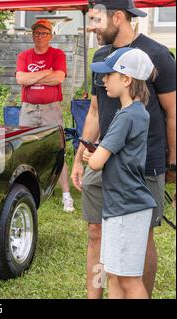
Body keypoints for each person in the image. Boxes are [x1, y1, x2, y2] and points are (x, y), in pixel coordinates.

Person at [71, 0, 176, 299]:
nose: (91, 26)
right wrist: (79, 158)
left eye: (96, 20)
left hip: (144, 166)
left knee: (140, 239)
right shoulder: (101, 57)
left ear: (118, 17)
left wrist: (173, 165)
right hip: (101, 161)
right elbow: (94, 111)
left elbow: (173, 114)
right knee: (96, 234)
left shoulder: (157, 56)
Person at [88, 47, 157, 299]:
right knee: (114, 275)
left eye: (109, 75)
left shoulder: (126, 116)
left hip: (126, 209)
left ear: (126, 79)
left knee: (129, 281)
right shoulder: (138, 112)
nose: (103, 81)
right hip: (121, 205)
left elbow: (96, 162)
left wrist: (89, 155)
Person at [16, 19, 75, 213]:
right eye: (36, 33)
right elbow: (20, 79)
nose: (39, 37)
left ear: (50, 36)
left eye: (43, 33)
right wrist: (45, 72)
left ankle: (67, 195)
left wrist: (32, 78)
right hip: (29, 109)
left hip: (51, 109)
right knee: (26, 150)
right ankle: (26, 190)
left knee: (58, 150)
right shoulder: (24, 55)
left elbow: (58, 78)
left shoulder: (57, 54)